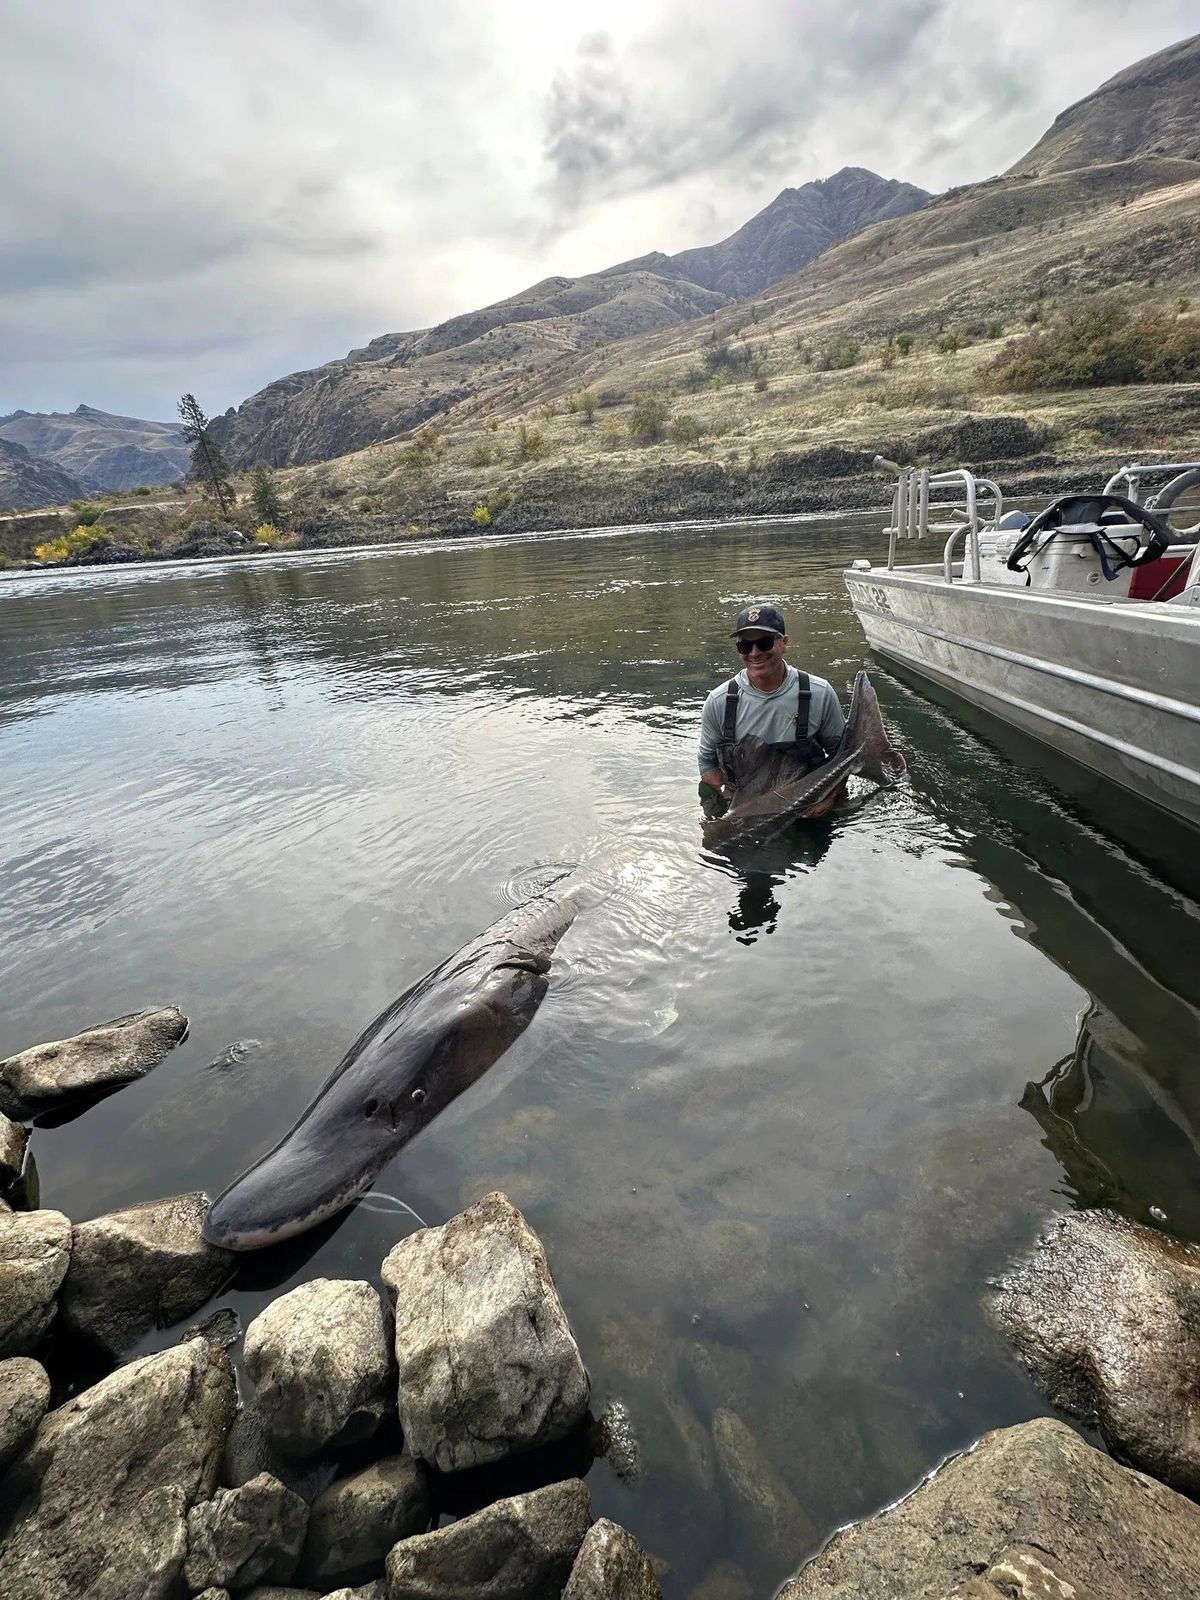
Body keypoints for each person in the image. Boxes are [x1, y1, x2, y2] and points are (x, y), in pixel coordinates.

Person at [698, 604, 845, 806]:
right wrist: (728, 798)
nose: (755, 653)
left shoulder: (820, 693)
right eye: (745, 646)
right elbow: (707, 762)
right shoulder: (718, 701)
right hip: (741, 812)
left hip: (809, 808)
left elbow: (843, 755)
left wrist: (829, 798)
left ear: (784, 643)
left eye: (764, 643)